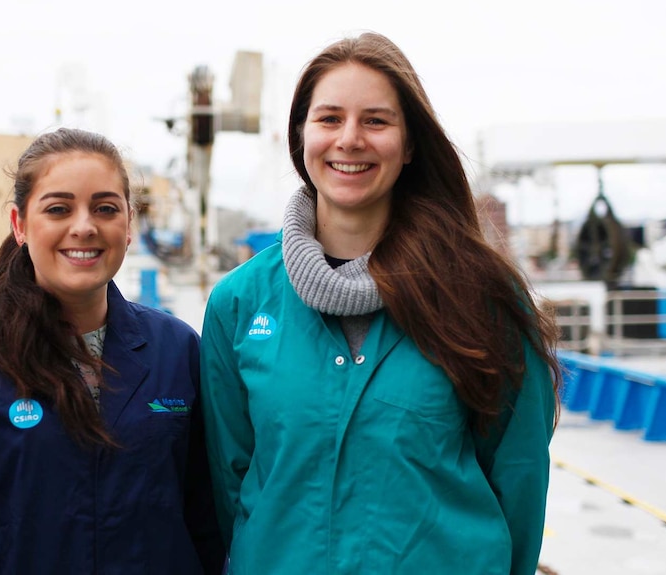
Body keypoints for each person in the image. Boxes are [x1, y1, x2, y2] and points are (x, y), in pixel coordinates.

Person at [200, 32, 561, 575]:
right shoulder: (238, 304)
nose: (349, 139)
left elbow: (520, 475)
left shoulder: (481, 295)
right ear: (300, 136)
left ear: (410, 143)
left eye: (375, 120)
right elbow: (230, 484)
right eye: (328, 119)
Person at [0, 127, 225, 574]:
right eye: (59, 209)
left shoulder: (175, 350)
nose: (83, 227)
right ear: (20, 225)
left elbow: (206, 523)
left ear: (128, 226)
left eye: (105, 208)